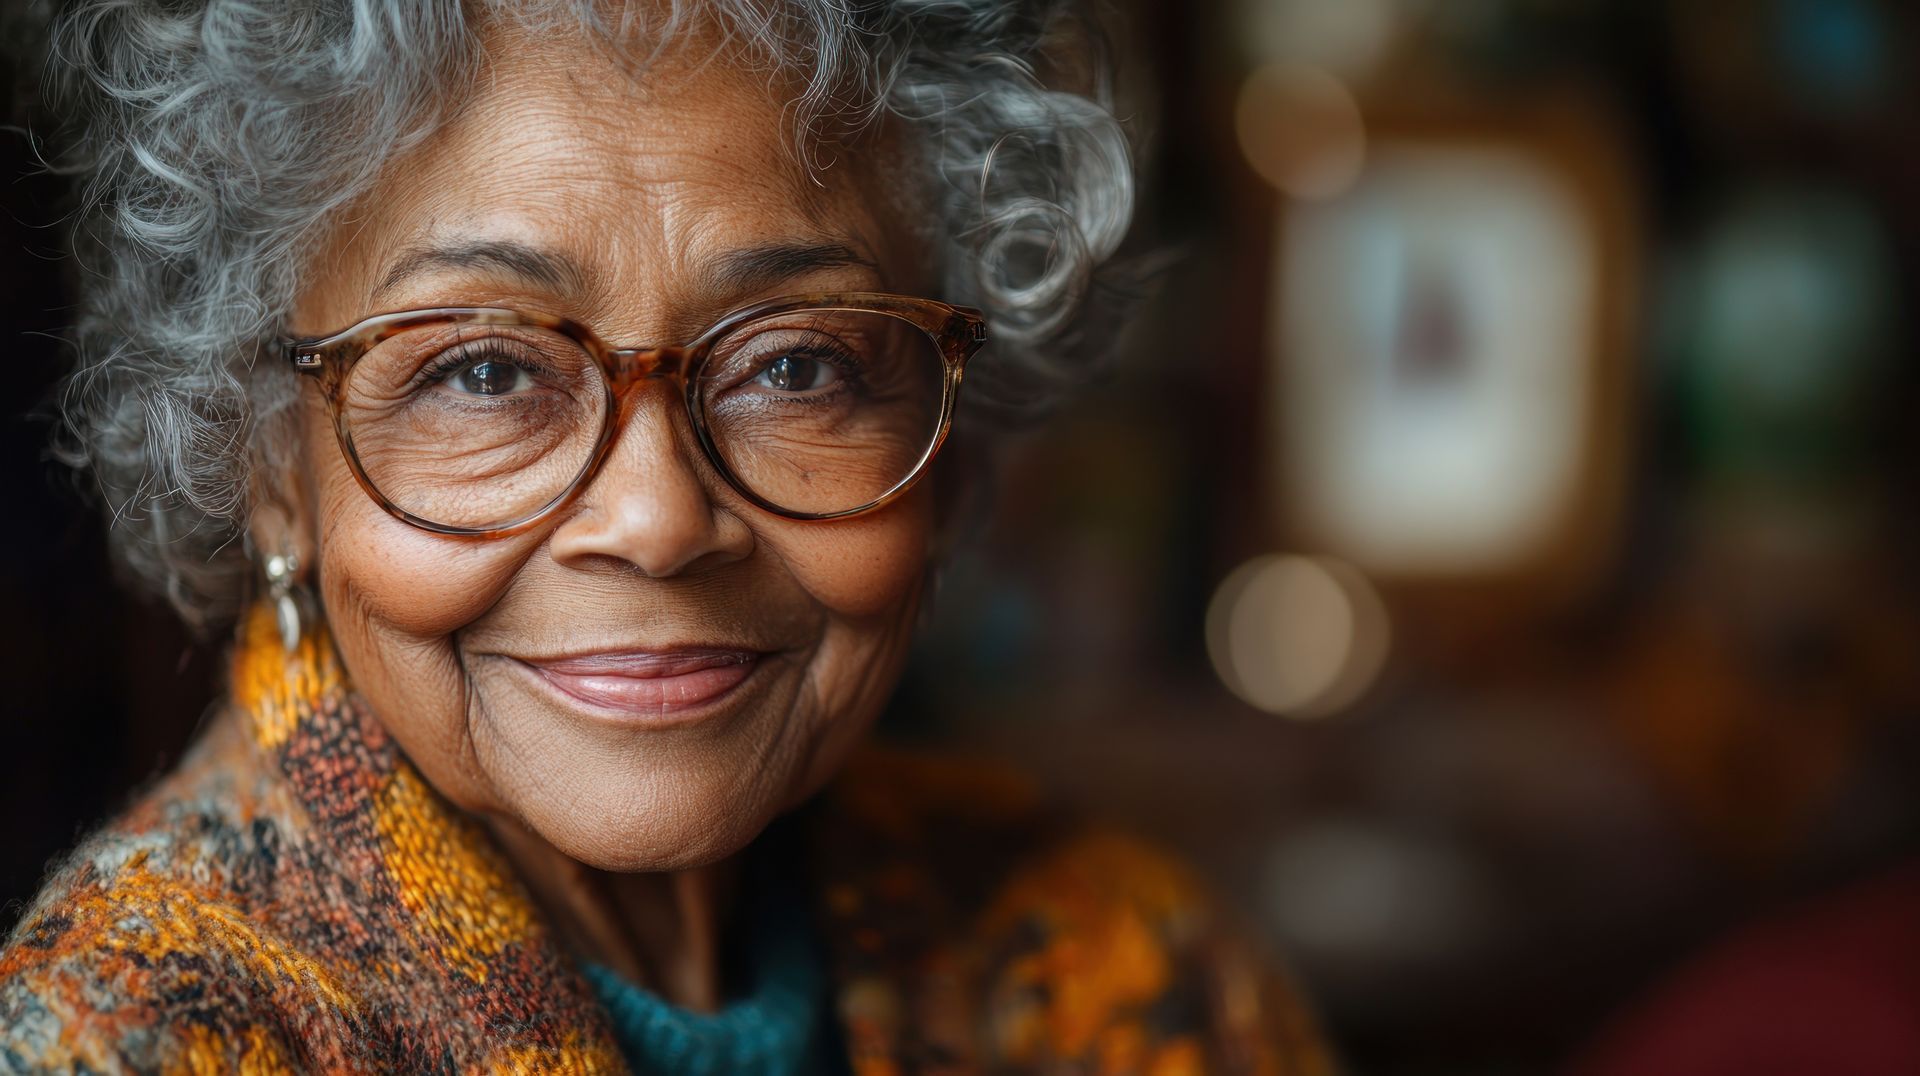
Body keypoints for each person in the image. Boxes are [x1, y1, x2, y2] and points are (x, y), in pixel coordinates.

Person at [0, 2, 1328, 1072]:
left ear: (950, 427)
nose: (659, 522)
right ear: (271, 467)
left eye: (799, 365)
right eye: (482, 371)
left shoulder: (1130, 975)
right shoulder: (141, 1037)